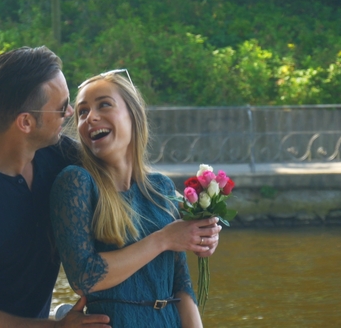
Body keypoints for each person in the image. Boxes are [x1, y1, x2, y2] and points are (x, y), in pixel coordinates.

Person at [0, 46, 111, 328]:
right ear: (26, 122)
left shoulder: (60, 155)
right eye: (61, 107)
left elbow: (121, 178)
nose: (71, 112)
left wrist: (192, 212)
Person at [50, 70, 222, 327]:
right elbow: (84, 277)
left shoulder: (160, 187)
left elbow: (181, 287)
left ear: (133, 114)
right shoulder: (76, 182)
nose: (90, 117)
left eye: (104, 105)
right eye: (82, 112)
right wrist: (164, 239)